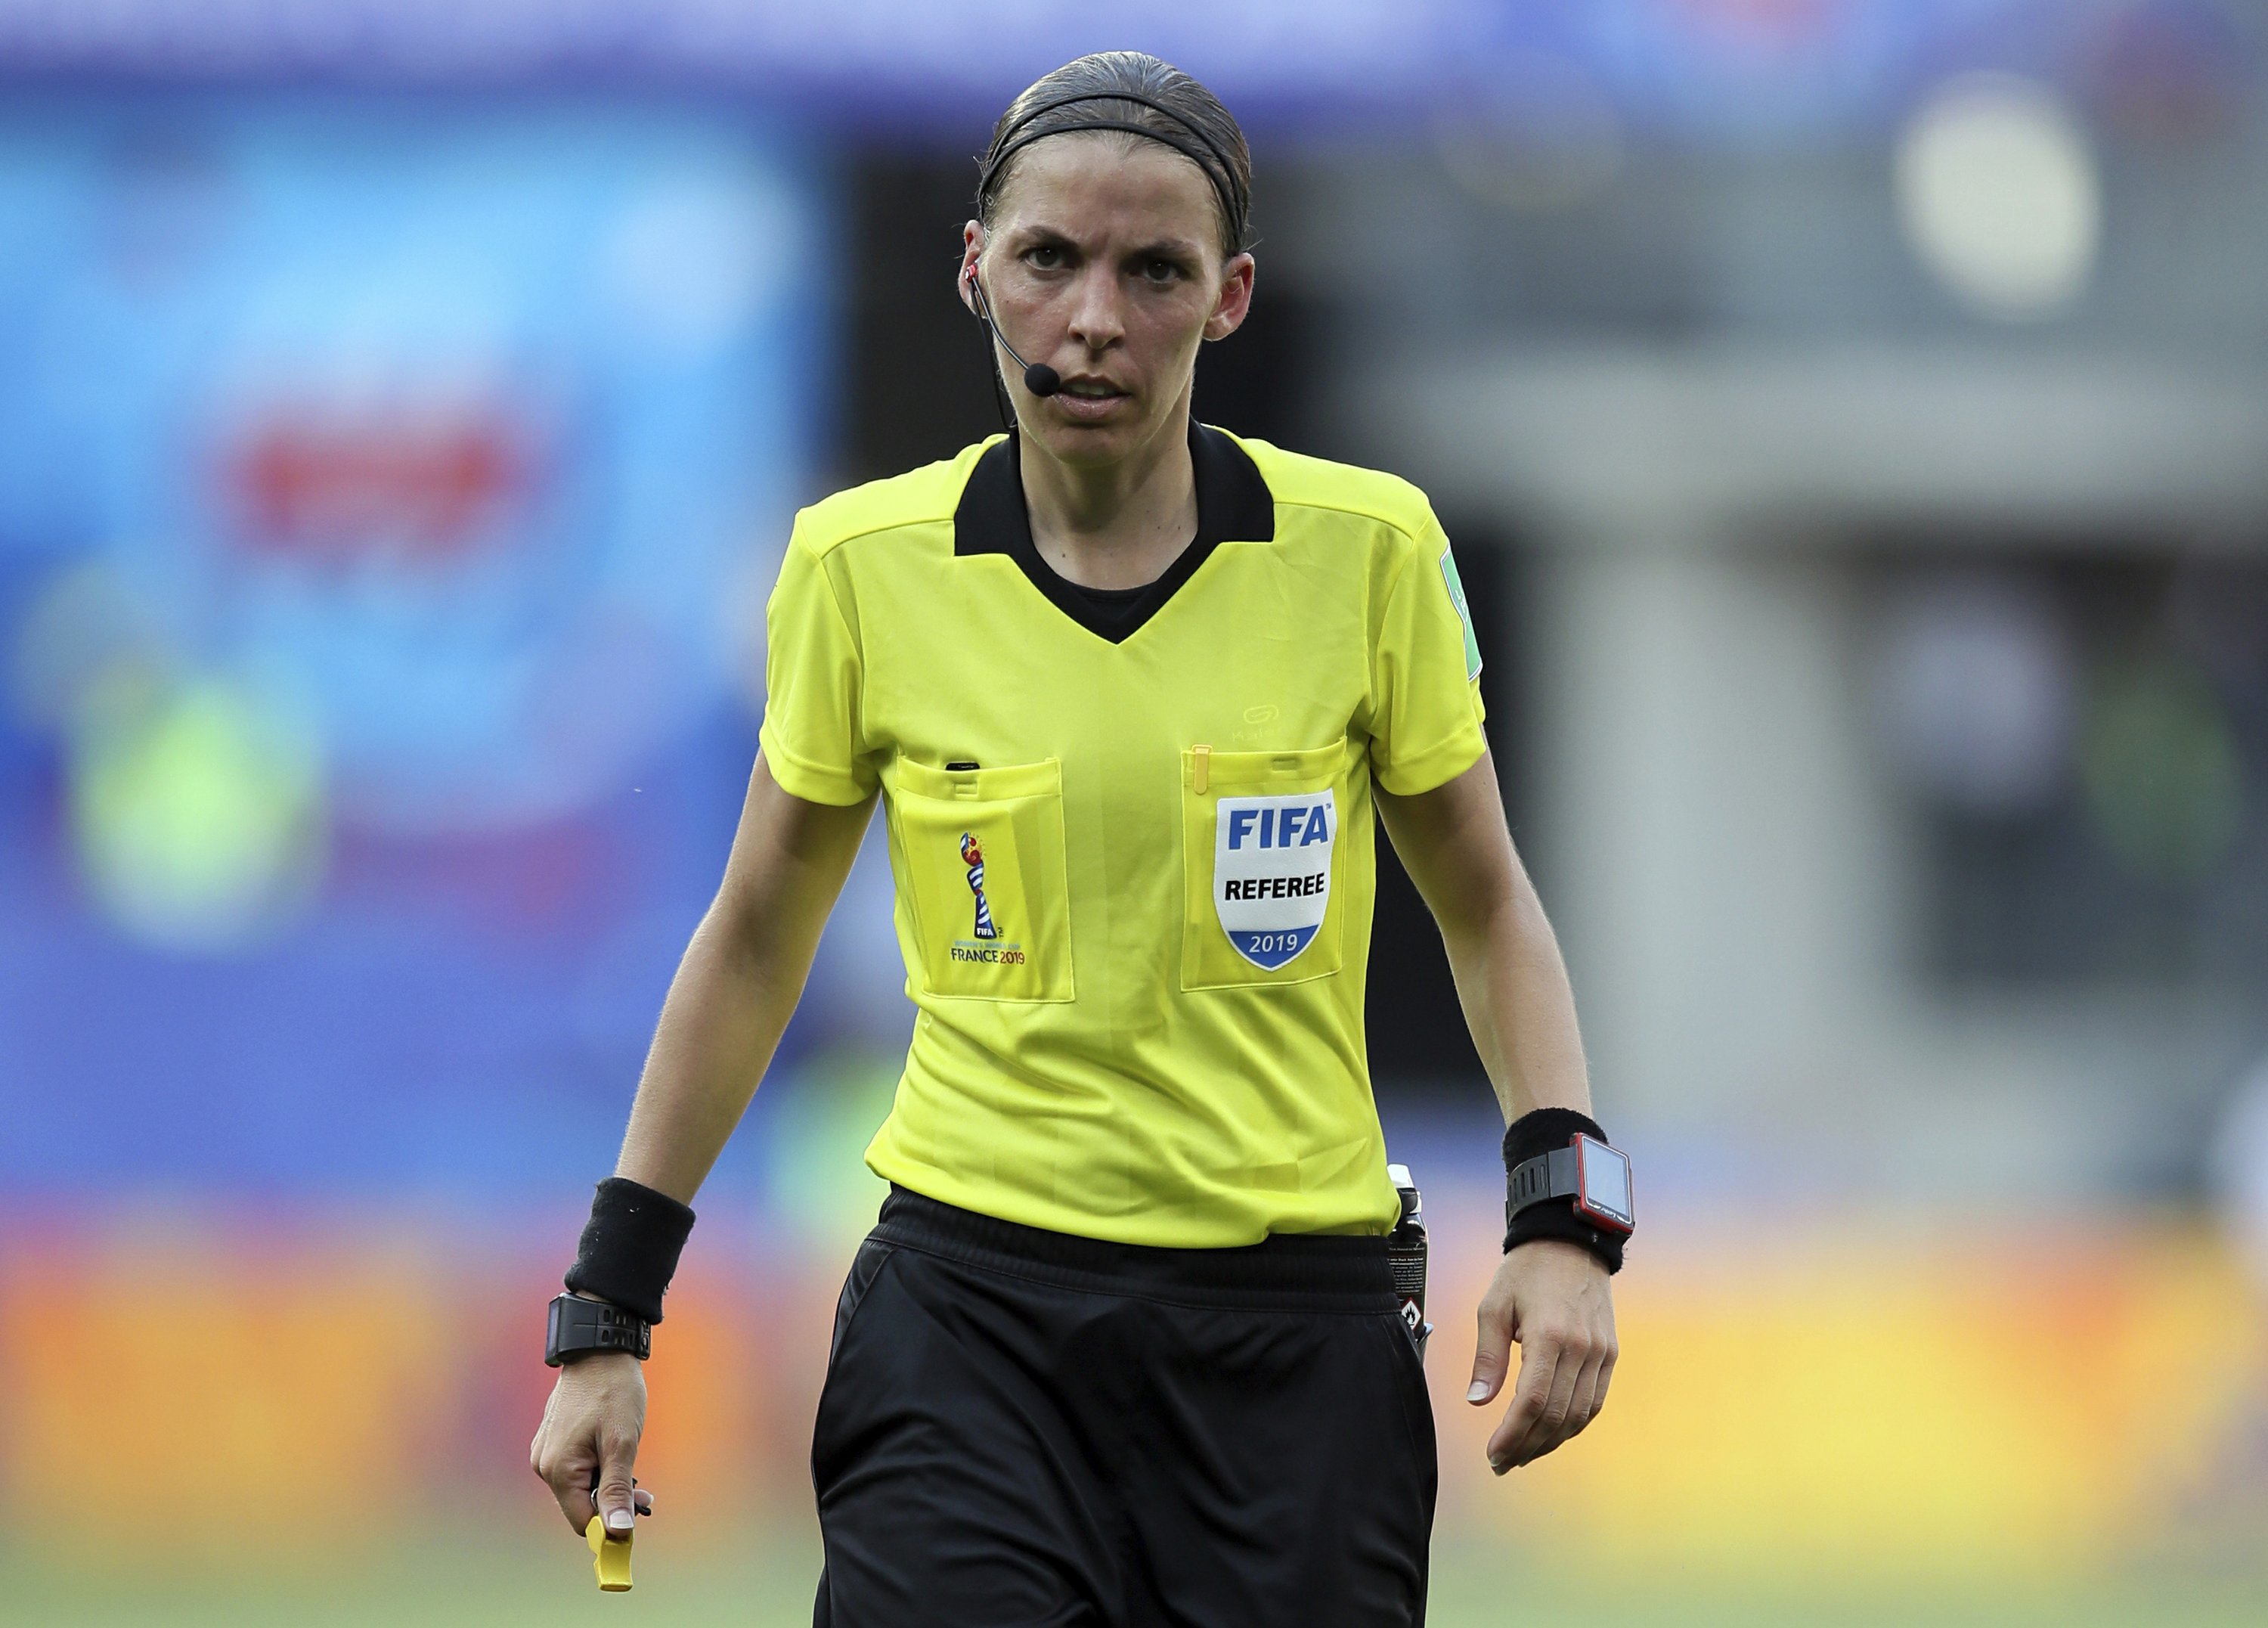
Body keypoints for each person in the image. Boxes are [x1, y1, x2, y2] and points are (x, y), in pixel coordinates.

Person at [531, 50, 1628, 1627]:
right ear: (977, 268)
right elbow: (755, 936)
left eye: (1154, 269)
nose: (1095, 318)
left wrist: (1564, 1222)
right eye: (1050, 259)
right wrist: (608, 1313)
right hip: (967, 1321)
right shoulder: (861, 569)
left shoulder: (1370, 553)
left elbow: (1487, 904)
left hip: (1291, 1340)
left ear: (1231, 296)